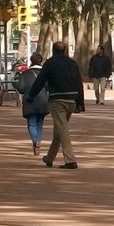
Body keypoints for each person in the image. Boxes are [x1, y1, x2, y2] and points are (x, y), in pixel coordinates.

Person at [28, 41, 84, 169]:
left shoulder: (50, 63)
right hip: (72, 99)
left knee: (62, 130)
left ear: (53, 50)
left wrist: (31, 95)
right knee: (59, 129)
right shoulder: (72, 63)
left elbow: (40, 81)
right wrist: (80, 103)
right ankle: (49, 157)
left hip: (57, 100)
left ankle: (70, 160)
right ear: (65, 51)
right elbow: (79, 83)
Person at [15, 53, 48, 155]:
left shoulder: (25, 74)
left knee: (31, 123)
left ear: (31, 61)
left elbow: (20, 88)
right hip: (43, 101)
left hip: (30, 101)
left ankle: (35, 140)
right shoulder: (46, 73)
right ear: (41, 61)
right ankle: (38, 140)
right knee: (40, 124)